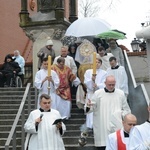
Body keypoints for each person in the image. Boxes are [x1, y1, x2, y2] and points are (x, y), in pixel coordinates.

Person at [86, 75, 131, 150]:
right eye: (109, 84)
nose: (111, 86)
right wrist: (88, 106)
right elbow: (91, 107)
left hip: (117, 125)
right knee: (103, 145)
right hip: (102, 126)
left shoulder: (120, 93)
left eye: (113, 84)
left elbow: (127, 110)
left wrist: (121, 115)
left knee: (116, 144)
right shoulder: (98, 94)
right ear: (105, 83)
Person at [84, 57, 107, 129]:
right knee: (90, 108)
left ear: (101, 64)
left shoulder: (104, 73)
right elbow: (85, 82)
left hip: (99, 94)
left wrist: (98, 85)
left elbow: (105, 83)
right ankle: (90, 125)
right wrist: (91, 80)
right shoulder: (88, 71)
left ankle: (98, 124)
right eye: (95, 62)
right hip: (91, 94)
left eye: (98, 62)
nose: (97, 64)